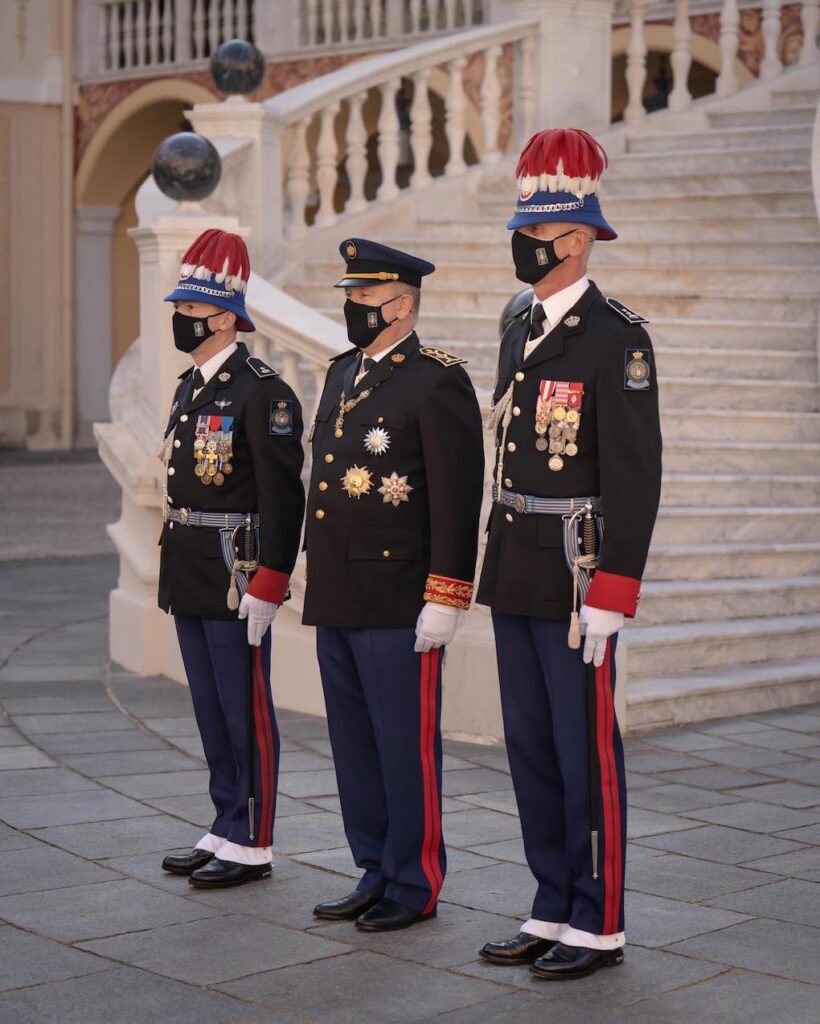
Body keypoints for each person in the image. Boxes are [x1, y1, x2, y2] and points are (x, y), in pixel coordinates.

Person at [476, 129, 662, 979]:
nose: (524, 243)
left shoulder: (615, 336)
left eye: (538, 231)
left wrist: (613, 588)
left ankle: (598, 919)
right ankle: (551, 902)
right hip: (517, 556)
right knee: (530, 744)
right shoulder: (520, 321)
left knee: (585, 746)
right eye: (522, 227)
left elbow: (633, 470)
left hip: (578, 566)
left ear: (579, 238)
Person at [304, 238, 484, 931]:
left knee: (403, 744)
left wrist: (445, 596)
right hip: (339, 591)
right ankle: (374, 866)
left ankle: (414, 881)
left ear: (402, 305)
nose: (353, 308)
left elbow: (454, 495)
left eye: (365, 299)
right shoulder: (341, 371)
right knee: (353, 742)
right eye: (350, 298)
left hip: (398, 596)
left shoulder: (436, 381)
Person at [157, 228, 305, 888]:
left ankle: (253, 837)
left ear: (224, 314)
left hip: (234, 570)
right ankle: (223, 821)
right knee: (210, 706)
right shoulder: (192, 385)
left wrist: (270, 580)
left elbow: (282, 496)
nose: (180, 320)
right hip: (190, 563)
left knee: (245, 708)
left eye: (190, 310)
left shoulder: (262, 391)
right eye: (179, 309)